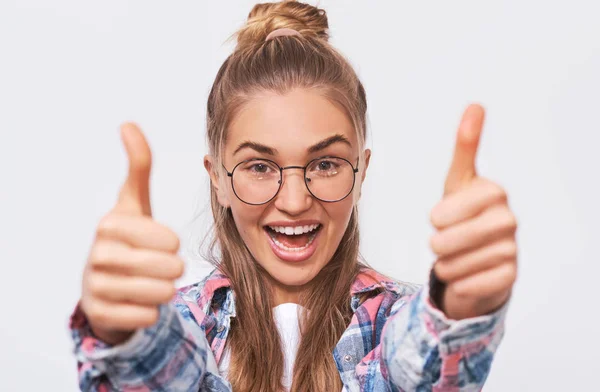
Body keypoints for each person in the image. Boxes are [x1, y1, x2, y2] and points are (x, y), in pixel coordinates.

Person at [69, 1, 518, 391]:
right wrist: (123, 335)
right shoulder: (183, 322)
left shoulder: (396, 319)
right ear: (218, 179)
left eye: (325, 164)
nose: (295, 200)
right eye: (260, 167)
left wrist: (456, 310)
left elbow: (411, 372)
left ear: (360, 172)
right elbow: (163, 374)